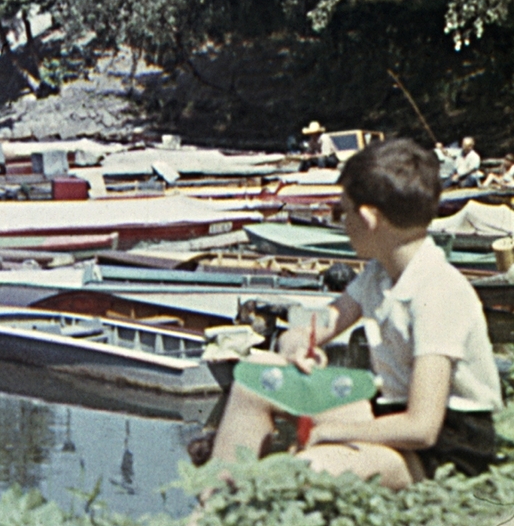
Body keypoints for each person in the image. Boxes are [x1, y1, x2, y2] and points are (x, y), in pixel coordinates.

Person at [208, 138, 500, 487]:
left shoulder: (437, 293)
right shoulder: (379, 274)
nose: (341, 222)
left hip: (444, 450)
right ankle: (211, 510)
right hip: (391, 414)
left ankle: (250, 510)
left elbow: (423, 427)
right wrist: (295, 341)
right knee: (254, 379)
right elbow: (328, 320)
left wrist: (336, 432)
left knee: (312, 467)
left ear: (367, 218)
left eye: (341, 211)